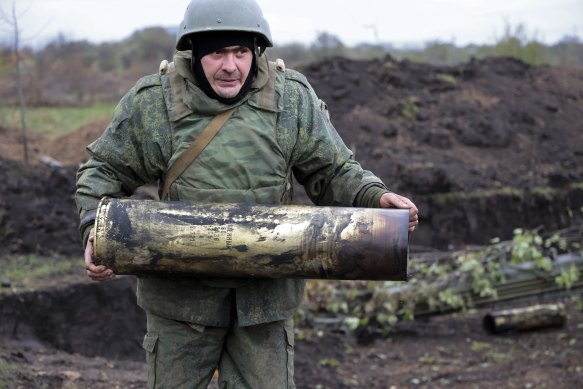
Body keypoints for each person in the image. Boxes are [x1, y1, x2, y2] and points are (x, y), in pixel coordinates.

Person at [75, 0, 419, 387]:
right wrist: (94, 229)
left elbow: (333, 170)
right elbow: (102, 171)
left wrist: (375, 197)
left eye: (240, 52)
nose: (230, 66)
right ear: (194, 53)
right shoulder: (155, 103)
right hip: (181, 304)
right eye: (217, 52)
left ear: (256, 52)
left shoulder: (290, 99)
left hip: (264, 305)